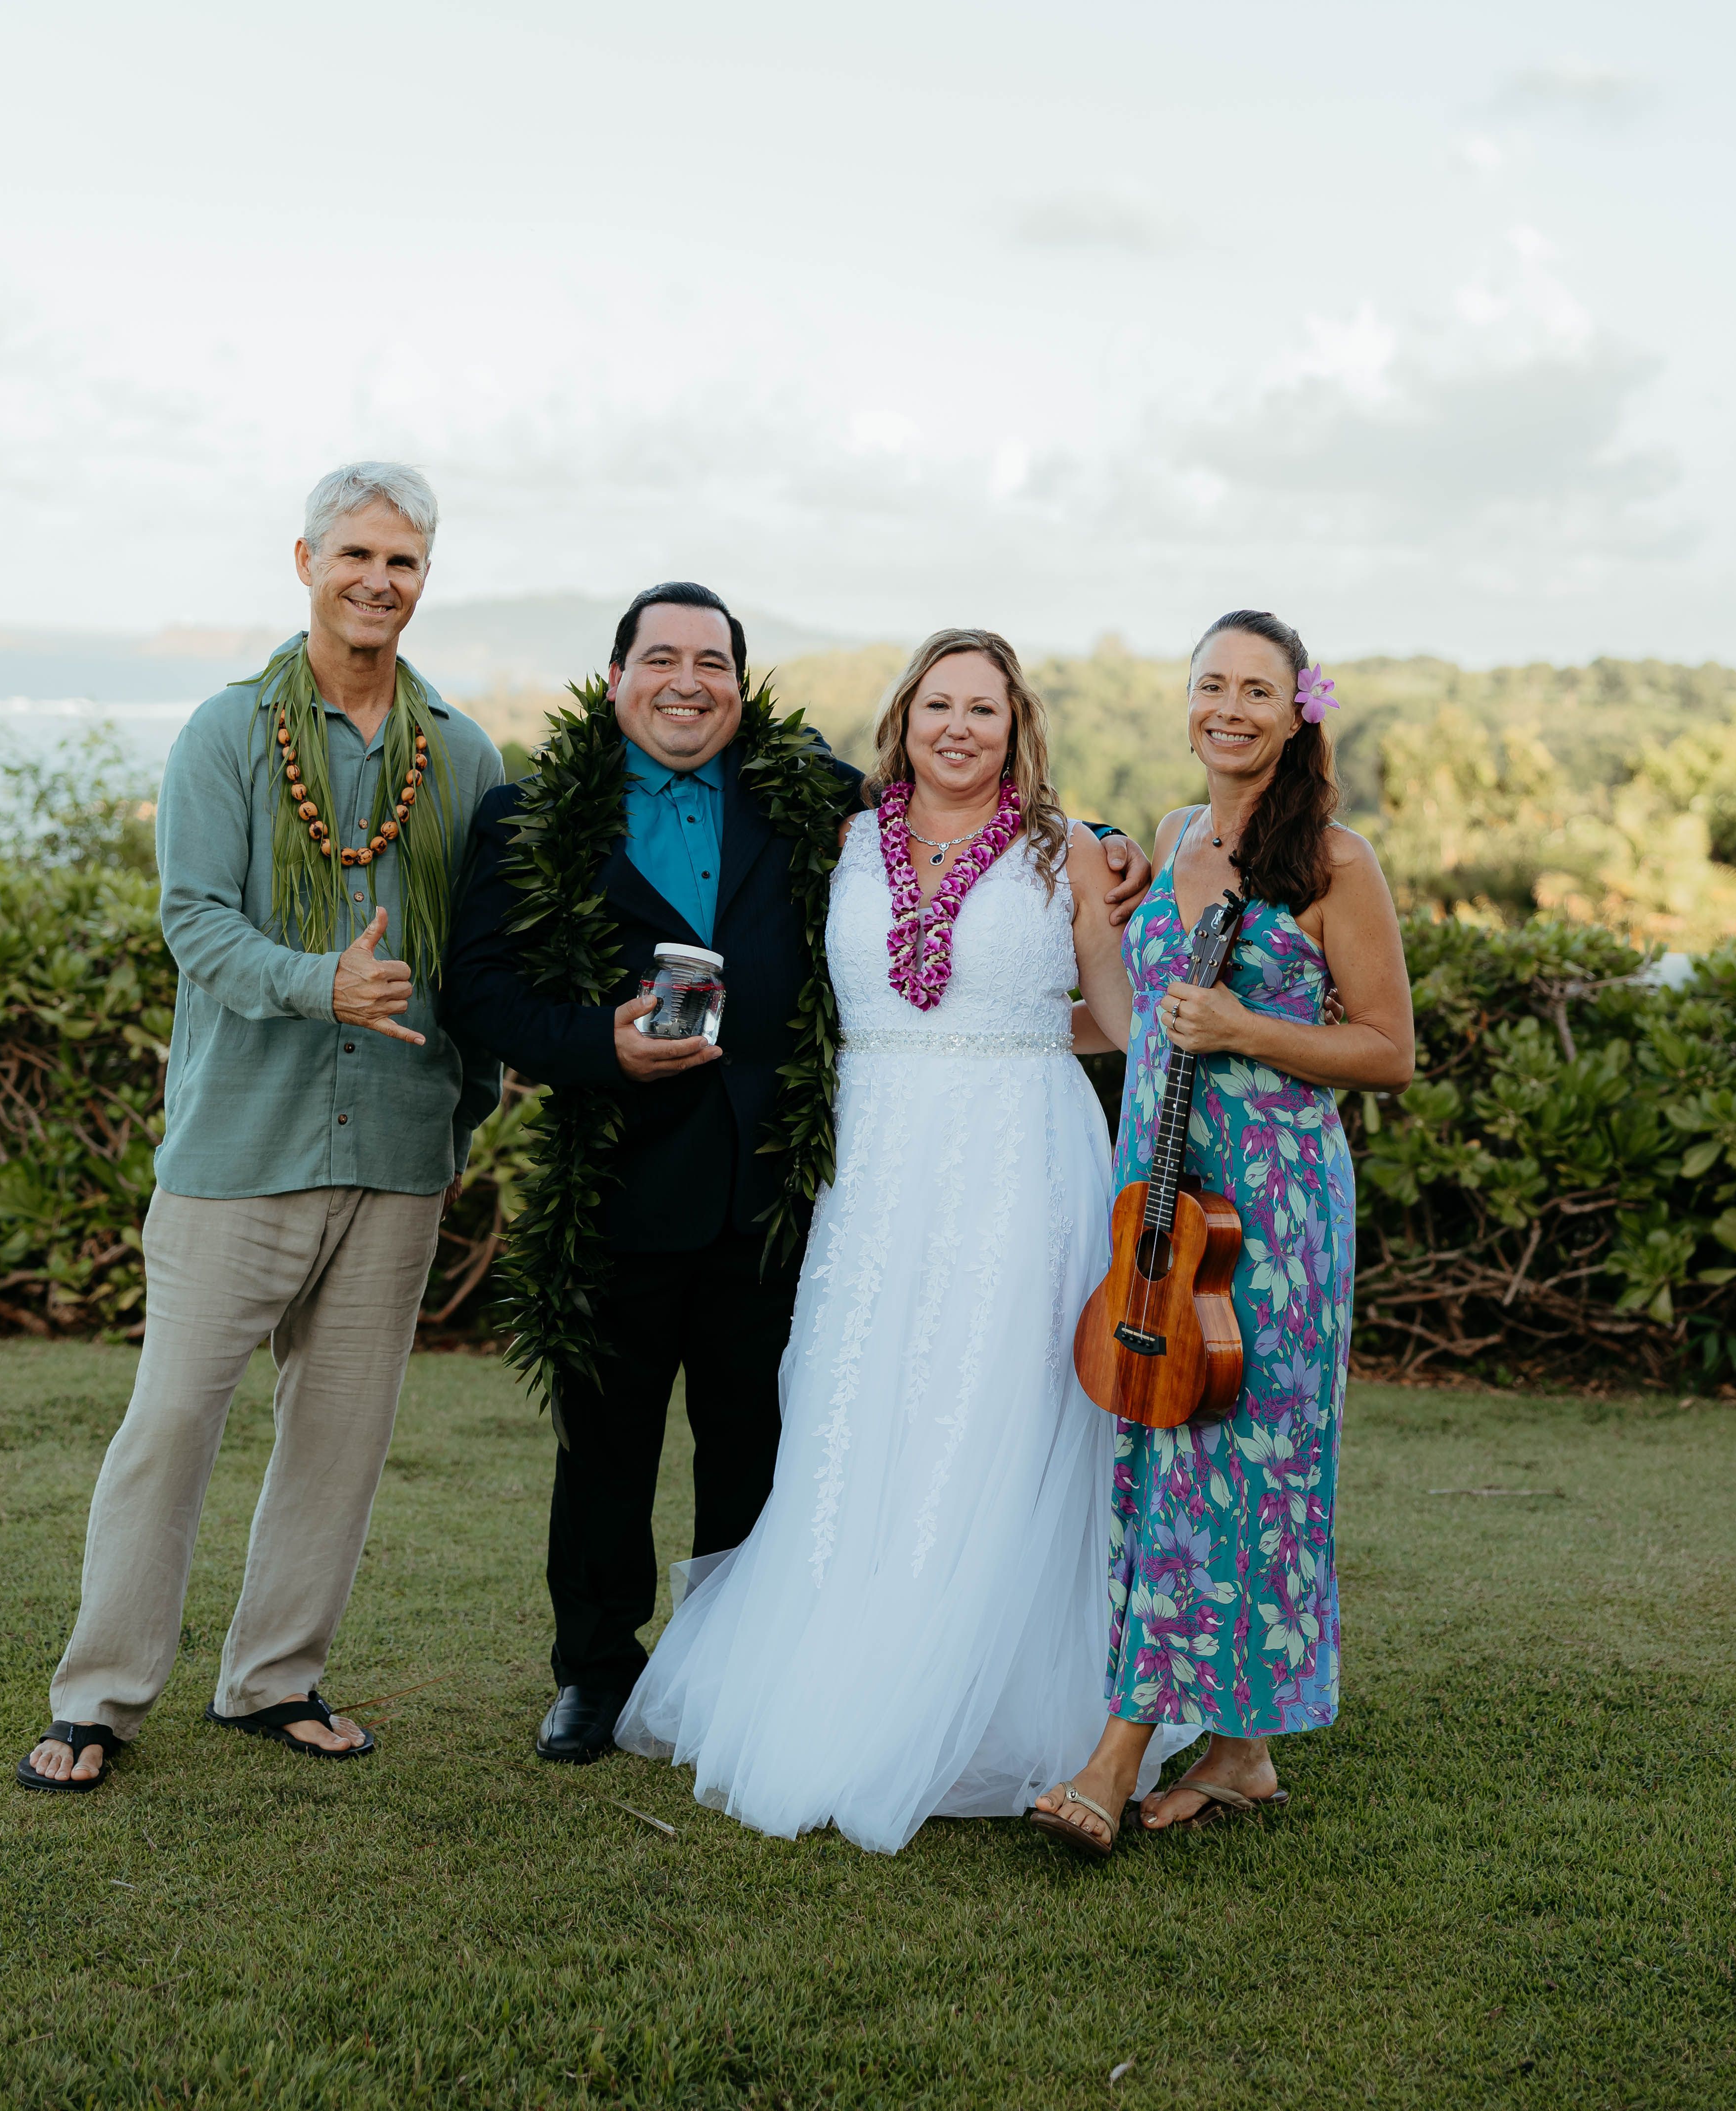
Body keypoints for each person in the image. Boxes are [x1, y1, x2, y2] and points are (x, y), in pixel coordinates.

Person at [441, 588, 1155, 1769]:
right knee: (605, 1445)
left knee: (769, 1440)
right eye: (660, 658)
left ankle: (743, 1665)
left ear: (741, 680)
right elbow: (478, 991)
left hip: (786, 1183)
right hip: (620, 1173)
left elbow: (974, 813)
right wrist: (598, 1046)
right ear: (615, 676)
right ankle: (593, 1672)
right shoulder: (533, 813)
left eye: (711, 661)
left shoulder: (807, 795)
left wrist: (1110, 840)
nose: (687, 681)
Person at [613, 628, 1197, 1850]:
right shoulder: (838, 842)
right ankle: (844, 1671)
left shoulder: (1072, 853)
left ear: (1017, 725)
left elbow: (1121, 1019)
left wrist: (1031, 1039)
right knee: (853, 1397)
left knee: (996, 1403)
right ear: (903, 719)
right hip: (875, 1167)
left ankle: (984, 1697)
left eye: (984, 709)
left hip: (1019, 1166)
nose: (959, 728)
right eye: (939, 705)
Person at [16, 463, 502, 1793]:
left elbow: (479, 964)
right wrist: (317, 983)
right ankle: (98, 1698)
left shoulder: (463, 755)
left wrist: (461, 1118)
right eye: (356, 554)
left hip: (397, 1153)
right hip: (240, 1149)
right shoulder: (226, 732)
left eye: (403, 561)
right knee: (171, 1424)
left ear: (424, 579)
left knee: (339, 1443)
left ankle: (274, 1679)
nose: (378, 581)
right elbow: (194, 921)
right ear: (305, 562)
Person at [1029, 607, 1413, 1859]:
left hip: (1276, 1215)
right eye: (1212, 685)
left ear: (1299, 710)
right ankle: (1243, 1750)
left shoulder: (1337, 862)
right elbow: (1141, 1014)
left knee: (1241, 1463)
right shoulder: (1174, 835)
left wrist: (1248, 1030)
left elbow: (1389, 1050)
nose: (1229, 709)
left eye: (1257, 689)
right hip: (1162, 1189)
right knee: (1163, 1448)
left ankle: (1115, 1755)